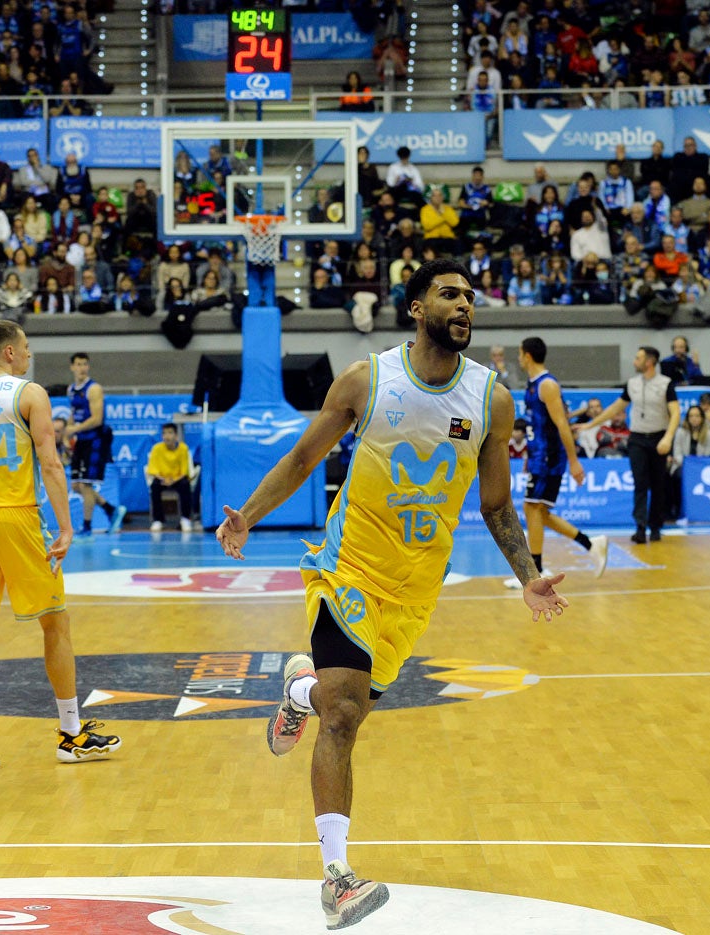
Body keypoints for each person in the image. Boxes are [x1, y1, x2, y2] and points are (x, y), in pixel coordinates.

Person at [215, 258, 569, 930]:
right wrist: (249, 515)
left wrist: (527, 576)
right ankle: (337, 877)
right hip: (347, 570)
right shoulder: (366, 379)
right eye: (448, 294)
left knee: (342, 705)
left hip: (413, 593)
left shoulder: (491, 398)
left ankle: (297, 693)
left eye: (469, 297)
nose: (463, 304)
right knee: (344, 716)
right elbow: (302, 458)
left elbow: (496, 506)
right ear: (414, 307)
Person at [0, 320, 121, 773]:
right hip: (15, 516)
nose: (30, 355)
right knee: (56, 623)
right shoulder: (28, 394)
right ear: (10, 352)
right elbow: (50, 463)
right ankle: (71, 734)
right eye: (27, 347)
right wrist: (67, 528)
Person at [503, 337, 608, 589]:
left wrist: (574, 461)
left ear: (527, 355)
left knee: (532, 508)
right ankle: (591, 544)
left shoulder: (547, 385)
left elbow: (562, 425)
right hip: (539, 456)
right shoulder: (533, 384)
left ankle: (536, 571)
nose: (518, 358)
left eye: (519, 353)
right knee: (540, 513)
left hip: (549, 457)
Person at [573, 347, 679, 543]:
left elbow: (675, 413)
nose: (634, 361)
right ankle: (640, 527)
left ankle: (655, 526)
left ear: (650, 361)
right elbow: (615, 407)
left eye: (638, 357)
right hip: (637, 438)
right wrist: (590, 424)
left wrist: (668, 437)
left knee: (658, 484)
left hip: (659, 438)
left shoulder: (666, 384)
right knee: (640, 483)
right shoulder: (632, 384)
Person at [66, 352, 125, 535]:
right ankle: (110, 509)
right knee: (76, 485)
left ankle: (87, 528)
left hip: (96, 440)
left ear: (88, 366)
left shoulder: (94, 389)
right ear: (72, 367)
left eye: (85, 364)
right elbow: (73, 413)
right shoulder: (71, 389)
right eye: (78, 364)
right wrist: (67, 432)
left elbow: (97, 419)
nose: (82, 368)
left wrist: (75, 429)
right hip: (82, 440)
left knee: (86, 484)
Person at [146, 422, 193, 533]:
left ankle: (185, 519)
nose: (167, 436)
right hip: (162, 479)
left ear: (176, 436)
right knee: (154, 486)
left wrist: (173, 480)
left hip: (177, 479)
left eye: (170, 433)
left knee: (185, 484)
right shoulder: (156, 448)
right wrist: (163, 479)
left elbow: (184, 471)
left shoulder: (183, 448)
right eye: (164, 433)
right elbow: (153, 469)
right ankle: (158, 520)